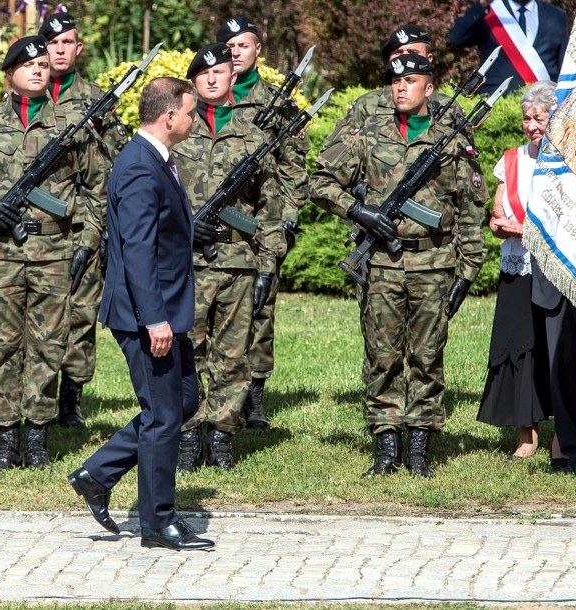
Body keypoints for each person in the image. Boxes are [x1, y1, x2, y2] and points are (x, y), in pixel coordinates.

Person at [0, 36, 108, 470]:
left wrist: (87, 241)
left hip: (55, 251)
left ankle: (39, 436)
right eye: (29, 66)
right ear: (9, 74)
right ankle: (6, 438)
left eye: (44, 65)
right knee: (1, 344)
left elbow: (98, 186)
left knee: (49, 344)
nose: (39, 70)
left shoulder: (72, 126)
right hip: (3, 252)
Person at [311, 54, 488, 478]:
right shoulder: (369, 134)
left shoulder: (450, 139)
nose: (401, 87)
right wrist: (360, 212)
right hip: (381, 264)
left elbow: (470, 208)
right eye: (395, 81)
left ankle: (420, 448)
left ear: (430, 88)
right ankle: (386, 444)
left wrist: (468, 270)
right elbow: (319, 181)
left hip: (433, 262)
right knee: (382, 355)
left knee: (427, 356)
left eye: (410, 80)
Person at [68, 77, 214, 551]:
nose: (195, 119)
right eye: (190, 112)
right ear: (169, 117)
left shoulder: (155, 160)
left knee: (182, 402)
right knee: (163, 415)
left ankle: (98, 473)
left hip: (166, 309)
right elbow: (136, 250)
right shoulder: (138, 166)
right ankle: (157, 523)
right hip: (145, 315)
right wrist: (155, 320)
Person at [173, 43, 282, 471]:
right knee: (186, 351)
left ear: (233, 78)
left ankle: (221, 437)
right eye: (204, 74)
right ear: (193, 82)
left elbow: (269, 209)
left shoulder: (253, 137)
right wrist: (183, 227)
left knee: (232, 356)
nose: (212, 78)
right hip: (187, 264)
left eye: (220, 71)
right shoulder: (175, 133)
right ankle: (188, 437)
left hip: (238, 262)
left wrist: (267, 265)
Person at [215, 17, 310, 428]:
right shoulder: (204, 96)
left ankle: (253, 396)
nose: (235, 52)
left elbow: (294, 170)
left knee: (259, 308)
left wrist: (285, 220)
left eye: (243, 45)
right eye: (229, 46)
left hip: (260, 221)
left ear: (258, 50)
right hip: (211, 221)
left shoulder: (276, 102)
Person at [38, 12, 128, 429]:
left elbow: (117, 160)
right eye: (52, 43)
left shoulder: (97, 100)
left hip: (84, 221)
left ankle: (71, 397)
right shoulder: (28, 92)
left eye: (67, 43)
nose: (59, 50)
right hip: (37, 225)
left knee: (80, 311)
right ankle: (36, 392)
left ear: (78, 48)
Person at [477, 81, 555, 458]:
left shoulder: (569, 163)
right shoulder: (510, 160)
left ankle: (563, 430)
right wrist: (500, 227)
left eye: (540, 118)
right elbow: (495, 220)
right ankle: (526, 432)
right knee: (519, 344)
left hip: (556, 270)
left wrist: (527, 230)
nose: (531, 125)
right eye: (527, 118)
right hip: (518, 267)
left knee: (554, 345)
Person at [322, 24, 466, 151]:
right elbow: (334, 157)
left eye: (413, 53)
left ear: (429, 59)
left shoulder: (449, 108)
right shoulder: (367, 105)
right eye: (398, 53)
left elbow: (465, 160)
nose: (404, 59)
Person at [449, 0, 568, 95]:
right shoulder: (490, 12)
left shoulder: (556, 15)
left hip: (542, 104)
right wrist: (481, 4)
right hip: (496, 103)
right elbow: (457, 39)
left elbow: (563, 62)